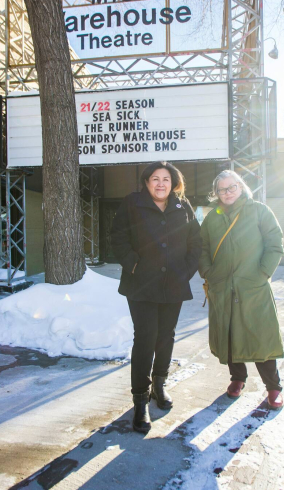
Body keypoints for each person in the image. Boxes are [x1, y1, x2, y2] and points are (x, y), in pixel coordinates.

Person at [110, 161, 202, 433]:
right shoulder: (132, 203)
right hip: (141, 284)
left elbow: (195, 241)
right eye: (155, 178)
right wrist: (132, 264)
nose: (160, 183)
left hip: (173, 283)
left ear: (174, 183)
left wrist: (186, 270)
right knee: (146, 337)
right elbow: (117, 236)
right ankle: (140, 400)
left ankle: (159, 386)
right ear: (146, 182)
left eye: (166, 179)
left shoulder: (182, 206)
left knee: (166, 335)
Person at [198, 170, 284, 410]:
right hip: (222, 286)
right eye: (222, 189)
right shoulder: (212, 217)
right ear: (216, 193)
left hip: (253, 287)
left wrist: (262, 274)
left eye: (231, 187)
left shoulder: (259, 211)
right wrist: (207, 272)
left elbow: (275, 244)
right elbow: (202, 246)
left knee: (261, 337)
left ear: (241, 187)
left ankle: (273, 387)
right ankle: (237, 378)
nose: (227, 193)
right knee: (229, 334)